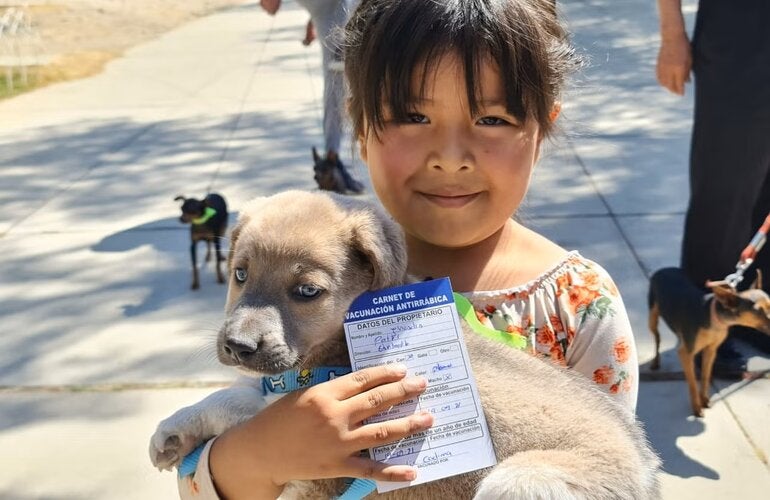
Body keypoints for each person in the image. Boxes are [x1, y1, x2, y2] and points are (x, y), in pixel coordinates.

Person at [180, 0, 639, 497]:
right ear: (359, 126)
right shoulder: (310, 267)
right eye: (413, 115)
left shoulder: (578, 301)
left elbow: (611, 466)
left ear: (542, 128)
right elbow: (200, 486)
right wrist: (265, 450)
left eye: (492, 119)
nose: (450, 158)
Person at [655, 0, 770, 376]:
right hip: (739, 36)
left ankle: (755, 319)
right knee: (725, 187)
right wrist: (672, 36)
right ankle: (706, 328)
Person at [260, 0, 364, 194]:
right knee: (336, 82)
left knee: (337, 83)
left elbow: (271, 7)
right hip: (333, 10)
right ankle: (332, 159)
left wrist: (314, 20)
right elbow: (271, 6)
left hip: (331, 10)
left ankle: (332, 157)